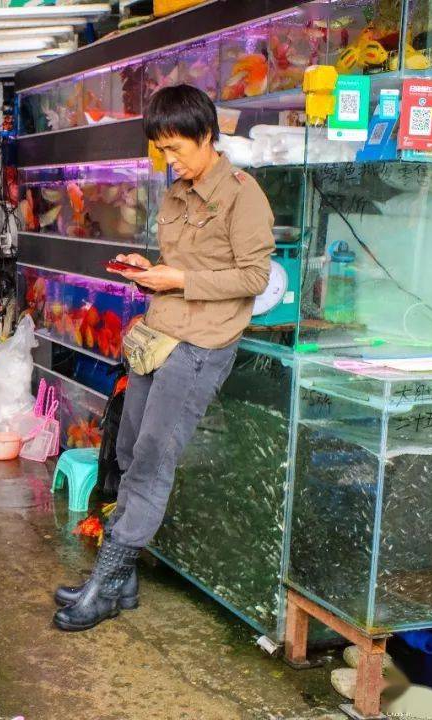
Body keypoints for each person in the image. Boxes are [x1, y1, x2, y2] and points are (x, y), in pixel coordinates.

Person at [52, 85, 274, 632]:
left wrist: (179, 278)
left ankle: (105, 585)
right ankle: (122, 579)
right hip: (158, 335)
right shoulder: (178, 193)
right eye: (162, 151)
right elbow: (179, 263)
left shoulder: (244, 195)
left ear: (206, 136)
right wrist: (146, 268)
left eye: (175, 149)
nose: (168, 162)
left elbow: (255, 278)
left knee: (151, 461)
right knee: (128, 452)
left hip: (202, 345)